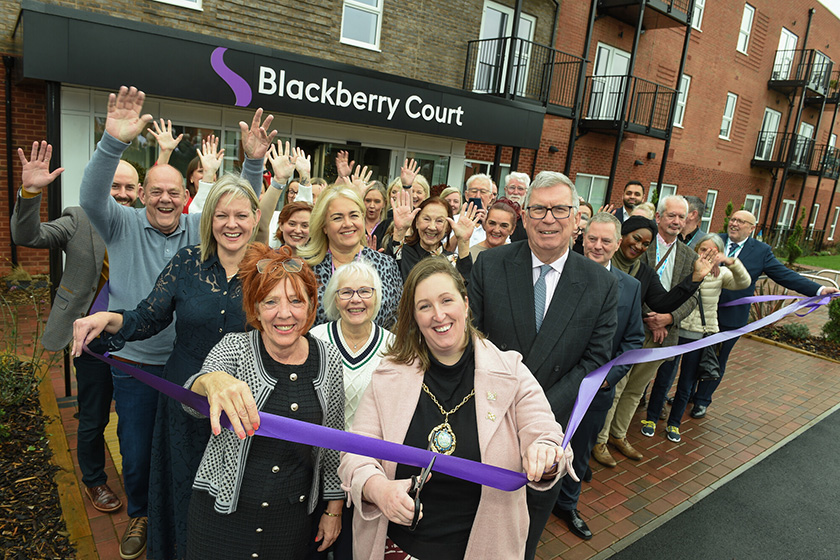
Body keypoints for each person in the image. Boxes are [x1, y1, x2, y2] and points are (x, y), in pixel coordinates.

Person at [78, 85, 271, 559]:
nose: (231, 223)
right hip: (174, 387)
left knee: (237, 486)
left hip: (246, 395)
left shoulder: (268, 269)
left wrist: (251, 164)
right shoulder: (186, 260)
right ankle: (157, 528)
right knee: (159, 469)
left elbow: (239, 200)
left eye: (241, 216)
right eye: (221, 215)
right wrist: (110, 316)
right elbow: (147, 315)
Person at [339, 257, 573, 560]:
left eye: (446, 300)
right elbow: (355, 453)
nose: (438, 315)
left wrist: (545, 455)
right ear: (414, 315)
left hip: (486, 549)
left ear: (465, 303)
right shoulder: (388, 375)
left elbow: (546, 435)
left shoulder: (511, 371)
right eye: (424, 306)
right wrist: (377, 489)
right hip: (398, 549)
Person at [468, 171, 619, 560]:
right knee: (473, 522)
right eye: (538, 209)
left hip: (552, 429)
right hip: (489, 420)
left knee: (525, 533)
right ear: (524, 215)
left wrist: (539, 412)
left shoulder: (599, 283)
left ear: (576, 219)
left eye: (559, 209)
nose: (548, 218)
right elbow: (474, 340)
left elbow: (597, 359)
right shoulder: (490, 264)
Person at [181, 245, 345, 560]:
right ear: (255, 308)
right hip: (222, 517)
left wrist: (333, 510)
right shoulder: (235, 348)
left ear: (311, 306)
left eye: (296, 301)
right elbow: (191, 400)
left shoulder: (329, 360)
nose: (284, 314)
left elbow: (334, 445)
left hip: (292, 524)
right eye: (271, 301)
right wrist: (211, 382)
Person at [10, 141, 138, 516]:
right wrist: (30, 192)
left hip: (135, 338)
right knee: (94, 415)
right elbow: (27, 236)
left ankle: (138, 482)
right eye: (115, 185)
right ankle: (95, 481)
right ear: (101, 186)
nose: (122, 194)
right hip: (93, 340)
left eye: (130, 187)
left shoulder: (146, 223)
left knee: (133, 417)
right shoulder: (79, 219)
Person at [691, 210, 838, 418]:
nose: (734, 224)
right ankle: (686, 394)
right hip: (701, 313)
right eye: (732, 219)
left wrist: (819, 290)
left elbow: (785, 275)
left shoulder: (761, 251)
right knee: (693, 355)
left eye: (741, 222)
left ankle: (701, 401)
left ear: (752, 228)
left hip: (731, 318)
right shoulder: (714, 240)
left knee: (717, 359)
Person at [552, 212, 645, 539]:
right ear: (582, 238)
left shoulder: (630, 287)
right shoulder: (558, 274)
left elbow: (634, 339)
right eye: (592, 238)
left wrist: (611, 375)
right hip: (554, 386)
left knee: (578, 454)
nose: (598, 246)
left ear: (617, 244)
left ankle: (567, 505)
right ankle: (534, 501)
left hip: (596, 391)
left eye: (606, 240)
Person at [592, 197, 702, 467]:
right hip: (620, 338)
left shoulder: (680, 258)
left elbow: (666, 300)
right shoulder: (605, 259)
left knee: (635, 389)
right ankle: (599, 440)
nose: (640, 246)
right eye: (636, 239)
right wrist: (650, 318)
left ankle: (618, 434)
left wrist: (668, 317)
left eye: (644, 243)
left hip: (659, 336)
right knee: (615, 388)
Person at [309, 260, 395, 558]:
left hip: (369, 470)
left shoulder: (394, 349)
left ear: (377, 297)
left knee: (355, 549)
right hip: (316, 468)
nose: (355, 299)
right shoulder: (315, 341)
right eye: (346, 292)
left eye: (364, 291)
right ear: (334, 298)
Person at [643, 234, 751, 442]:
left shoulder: (720, 275)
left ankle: (674, 424)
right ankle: (651, 418)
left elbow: (744, 282)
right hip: (677, 331)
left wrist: (729, 261)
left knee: (687, 383)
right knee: (664, 378)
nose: (706, 255)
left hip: (700, 336)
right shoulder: (686, 270)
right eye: (703, 250)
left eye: (713, 252)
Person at [298, 185, 402, 328]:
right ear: (324, 226)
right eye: (337, 218)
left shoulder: (386, 265)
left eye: (354, 215)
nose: (347, 224)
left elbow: (397, 321)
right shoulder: (305, 269)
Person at [390, 196, 477, 282]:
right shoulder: (403, 253)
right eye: (426, 219)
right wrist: (399, 230)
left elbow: (466, 284)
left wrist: (463, 240)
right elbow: (388, 272)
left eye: (439, 221)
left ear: (447, 227)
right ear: (416, 222)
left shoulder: (451, 261)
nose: (432, 227)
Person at [363, 183, 387, 248]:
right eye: (368, 201)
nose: (372, 206)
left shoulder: (388, 226)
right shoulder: (355, 223)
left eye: (377, 201)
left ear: (384, 203)